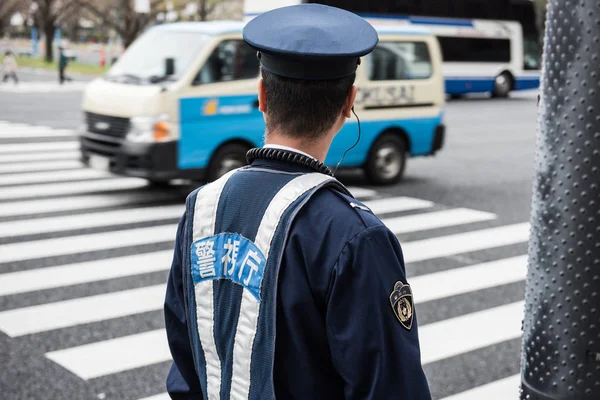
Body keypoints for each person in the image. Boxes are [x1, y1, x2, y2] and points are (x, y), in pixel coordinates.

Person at [164, 4, 431, 399]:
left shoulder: (202, 206)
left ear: (261, 95)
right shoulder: (354, 236)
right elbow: (391, 387)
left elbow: (186, 363)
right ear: (348, 102)